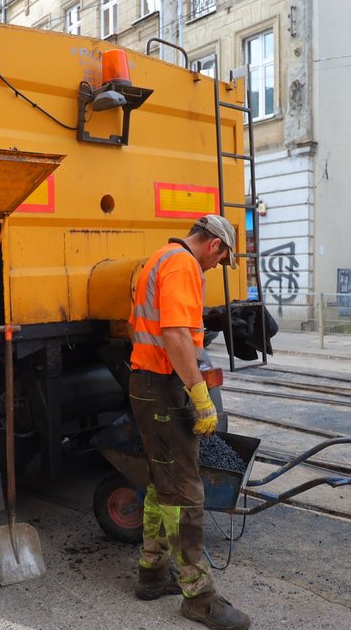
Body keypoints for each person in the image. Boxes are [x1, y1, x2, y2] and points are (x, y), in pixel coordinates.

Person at [127, 214, 251, 630]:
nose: (216, 268)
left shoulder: (159, 257)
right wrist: (200, 397)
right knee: (184, 489)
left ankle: (152, 572)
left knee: (159, 482)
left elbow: (153, 327)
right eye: (221, 260)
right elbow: (176, 335)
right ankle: (198, 596)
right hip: (163, 385)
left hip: (148, 382)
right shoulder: (183, 264)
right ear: (215, 245)